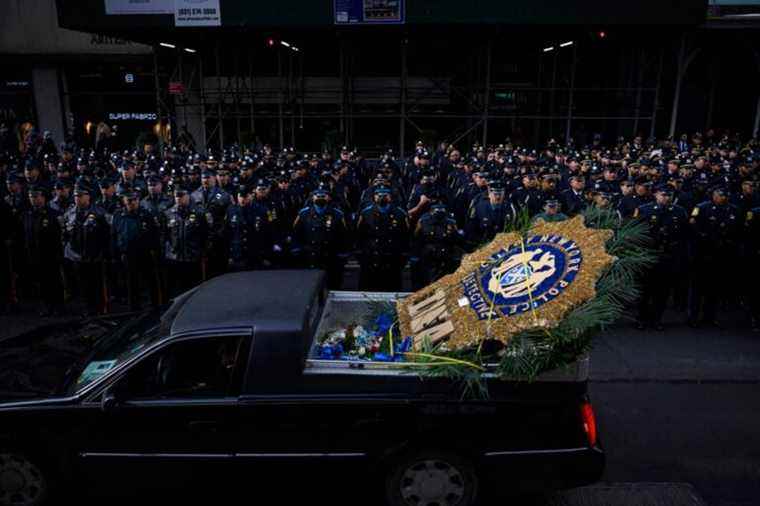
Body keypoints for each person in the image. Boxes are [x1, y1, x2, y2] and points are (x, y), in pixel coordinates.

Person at [634, 186, 689, 330]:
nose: (666, 197)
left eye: (669, 195)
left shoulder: (679, 211)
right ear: (656, 194)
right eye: (663, 194)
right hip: (648, 253)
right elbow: (635, 233)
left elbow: (685, 234)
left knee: (663, 290)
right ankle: (641, 318)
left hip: (668, 255)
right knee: (645, 289)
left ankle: (657, 319)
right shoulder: (644, 209)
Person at [688, 186, 741, 327]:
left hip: (721, 254)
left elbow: (737, 229)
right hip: (703, 253)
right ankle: (693, 317)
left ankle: (709, 317)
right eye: (719, 195)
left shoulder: (733, 209)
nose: (722, 198)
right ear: (713, 196)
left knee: (714, 288)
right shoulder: (702, 208)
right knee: (697, 289)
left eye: (724, 195)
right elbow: (693, 227)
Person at [62, 183, 109, 317]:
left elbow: (106, 235)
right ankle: (87, 310)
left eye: (81, 196)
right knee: (83, 286)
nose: (78, 198)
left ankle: (101, 310)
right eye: (76, 196)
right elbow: (65, 234)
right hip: (77, 256)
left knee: (97, 285)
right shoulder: (70, 213)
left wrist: (102, 253)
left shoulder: (99, 213)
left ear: (88, 197)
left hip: (95, 256)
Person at [112, 191, 161, 310]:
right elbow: (114, 234)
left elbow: (155, 234)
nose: (132, 203)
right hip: (128, 253)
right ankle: (134, 307)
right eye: (129, 201)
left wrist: (155, 250)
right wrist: (116, 253)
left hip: (145, 252)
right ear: (124, 202)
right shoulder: (118, 215)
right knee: (131, 282)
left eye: (134, 200)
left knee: (151, 280)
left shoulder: (146, 214)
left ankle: (155, 305)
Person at [292, 186, 348, 289]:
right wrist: (297, 249)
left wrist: (342, 253)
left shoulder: (337, 214)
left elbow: (343, 235)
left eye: (324, 196)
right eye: (317, 196)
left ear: (329, 198)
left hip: (330, 255)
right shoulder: (304, 214)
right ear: (312, 198)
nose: (320, 198)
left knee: (332, 284)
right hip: (311, 255)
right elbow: (296, 233)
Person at [356, 186, 409, 291]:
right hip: (372, 255)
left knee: (393, 288)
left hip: (392, 255)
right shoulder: (366, 213)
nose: (382, 197)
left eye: (385, 195)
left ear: (390, 197)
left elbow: (405, 235)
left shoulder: (400, 213)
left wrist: (404, 255)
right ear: (374, 197)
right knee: (369, 288)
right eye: (379, 195)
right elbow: (359, 234)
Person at [22, 185, 63, 316]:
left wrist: (58, 254)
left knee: (54, 281)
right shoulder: (27, 214)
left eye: (35, 197)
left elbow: (58, 236)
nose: (33, 199)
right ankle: (46, 305)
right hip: (34, 254)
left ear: (43, 197)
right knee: (40, 282)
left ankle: (57, 306)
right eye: (30, 197)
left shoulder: (53, 215)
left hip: (50, 254)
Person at [163, 186, 209, 297]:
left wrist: (203, 252)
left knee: (193, 290)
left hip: (192, 257)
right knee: (176, 290)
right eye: (176, 196)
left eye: (181, 196)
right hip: (174, 258)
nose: (178, 199)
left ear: (187, 196)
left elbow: (204, 235)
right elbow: (165, 235)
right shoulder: (168, 214)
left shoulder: (199, 213)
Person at [411, 202, 461, 289]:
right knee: (427, 279)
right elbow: (417, 238)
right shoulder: (423, 222)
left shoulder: (451, 223)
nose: (439, 213)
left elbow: (456, 239)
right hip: (428, 255)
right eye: (437, 211)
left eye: (441, 210)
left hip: (445, 255)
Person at [465, 181, 517, 248]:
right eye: (495, 194)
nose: (498, 197)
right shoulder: (479, 207)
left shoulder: (510, 208)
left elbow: (514, 228)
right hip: (481, 245)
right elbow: (471, 229)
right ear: (489, 193)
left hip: (503, 246)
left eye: (501, 194)